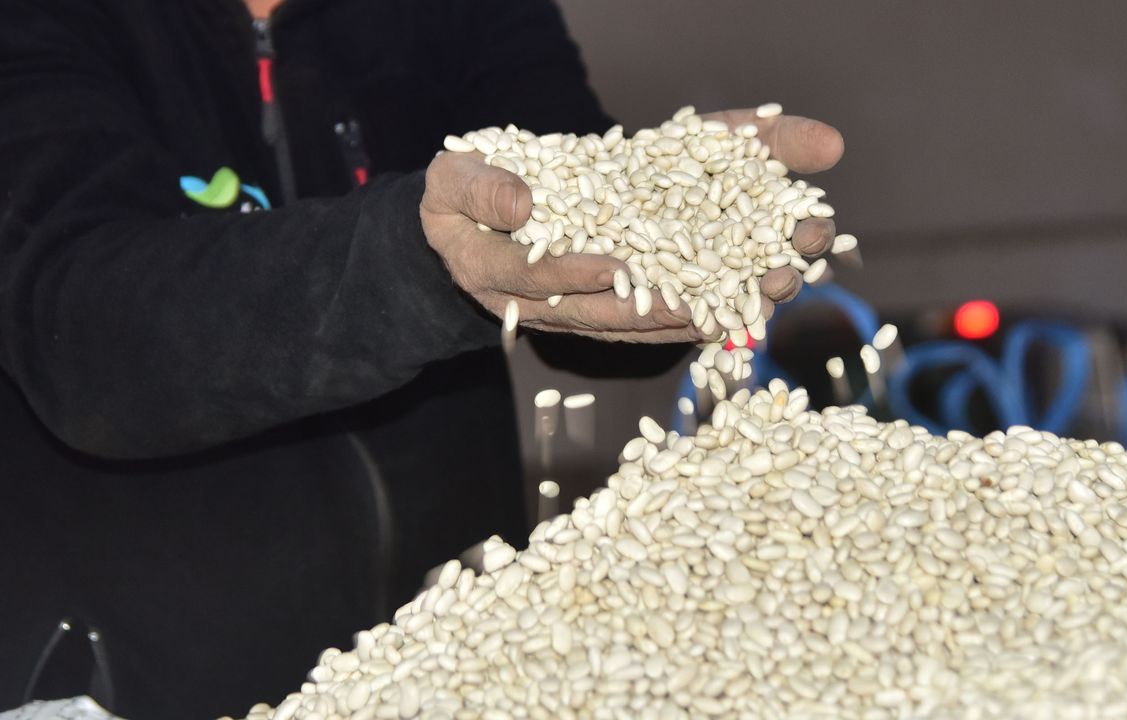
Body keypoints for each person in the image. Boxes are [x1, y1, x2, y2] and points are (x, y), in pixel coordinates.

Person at [0, 0, 844, 716]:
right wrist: (419, 263)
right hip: (135, 678)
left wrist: (667, 219)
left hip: (445, 666)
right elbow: (83, 334)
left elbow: (572, 239)